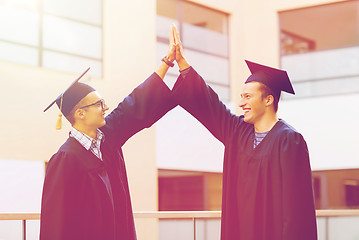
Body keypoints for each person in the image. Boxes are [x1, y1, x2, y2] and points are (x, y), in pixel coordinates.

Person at [171, 26, 317, 240]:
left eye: (248, 97)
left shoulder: (289, 140)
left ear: (268, 100)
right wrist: (182, 63)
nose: (241, 103)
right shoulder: (237, 132)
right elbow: (211, 105)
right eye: (241, 97)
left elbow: (296, 209)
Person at [40, 26, 178, 240]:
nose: (105, 107)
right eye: (99, 104)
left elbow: (135, 104)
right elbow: (56, 223)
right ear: (80, 113)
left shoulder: (109, 137)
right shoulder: (65, 158)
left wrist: (167, 62)